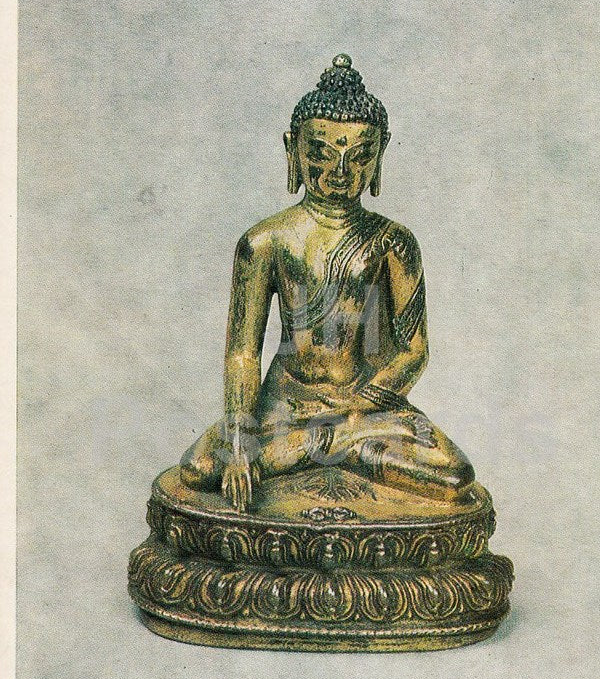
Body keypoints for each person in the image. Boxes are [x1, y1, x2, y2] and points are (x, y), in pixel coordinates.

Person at [181, 55, 474, 511]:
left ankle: (317, 444)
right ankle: (332, 445)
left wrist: (355, 409)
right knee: (201, 468)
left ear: (381, 154)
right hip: (285, 404)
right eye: (320, 153)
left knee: (453, 476)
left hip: (365, 407)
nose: (339, 171)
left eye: (359, 156)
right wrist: (239, 443)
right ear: (292, 149)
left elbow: (413, 352)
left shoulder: (393, 243)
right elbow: (242, 353)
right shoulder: (266, 241)